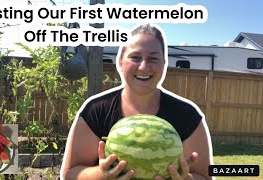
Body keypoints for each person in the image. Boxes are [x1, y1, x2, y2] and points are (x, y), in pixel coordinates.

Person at [60, 23, 213, 180]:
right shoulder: (96, 111)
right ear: (120, 62)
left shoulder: (187, 115)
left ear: (164, 64)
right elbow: (70, 174)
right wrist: (103, 174)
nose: (144, 66)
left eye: (153, 58)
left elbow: (205, 177)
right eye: (135, 57)